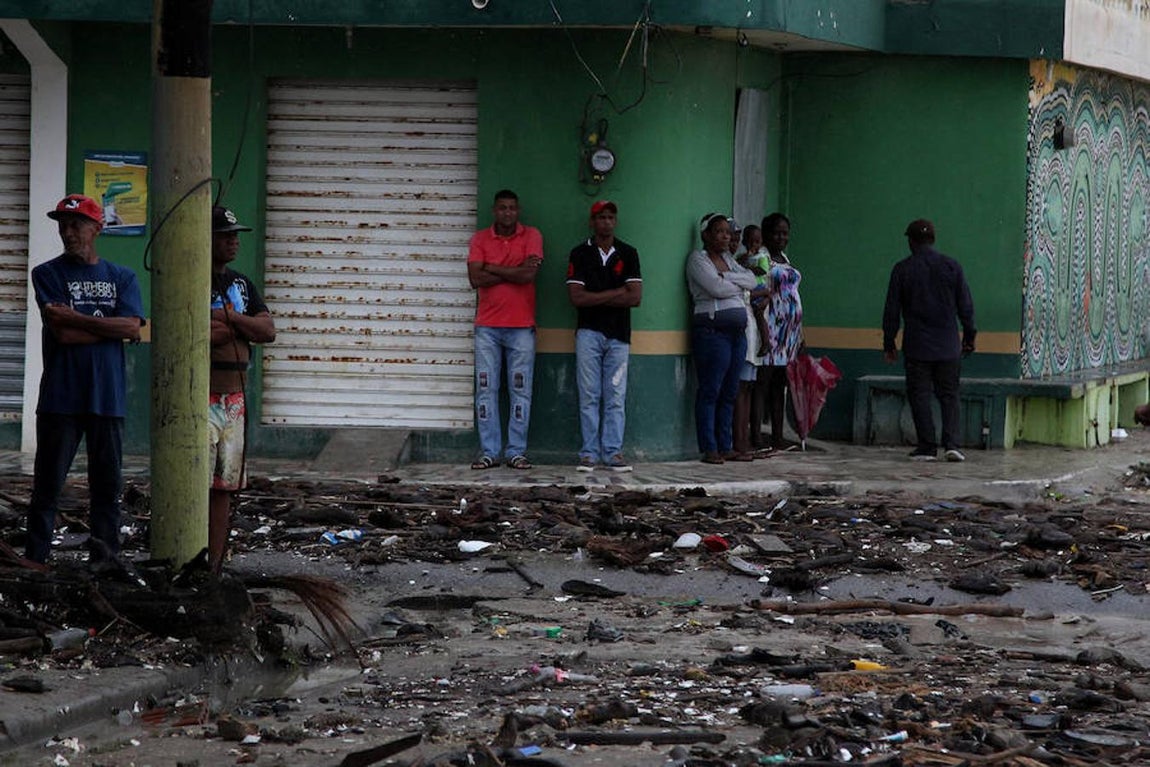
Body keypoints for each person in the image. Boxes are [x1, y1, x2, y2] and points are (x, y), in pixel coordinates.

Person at [24, 194, 145, 564]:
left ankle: (105, 561)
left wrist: (76, 318)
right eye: (63, 225)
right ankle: (35, 560)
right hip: (61, 398)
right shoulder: (46, 273)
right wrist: (111, 328)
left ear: (97, 228)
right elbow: (64, 335)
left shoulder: (122, 277)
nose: (68, 232)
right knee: (47, 486)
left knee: (107, 487)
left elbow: (131, 326)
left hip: (107, 398)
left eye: (76, 224)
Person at [209, 205, 275, 572]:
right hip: (202, 395)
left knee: (226, 485)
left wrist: (229, 318)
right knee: (199, 481)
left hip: (235, 397)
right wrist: (241, 327)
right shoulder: (191, 279)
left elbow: (267, 331)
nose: (234, 241)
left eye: (236, 235)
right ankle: (194, 556)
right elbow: (197, 334)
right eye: (226, 235)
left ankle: (215, 563)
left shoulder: (241, 284)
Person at [882, 218, 976, 462]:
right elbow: (966, 305)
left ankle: (927, 446)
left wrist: (889, 342)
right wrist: (969, 336)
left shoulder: (902, 269)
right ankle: (952, 444)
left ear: (911, 242)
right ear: (932, 240)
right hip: (948, 346)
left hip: (917, 346)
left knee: (920, 395)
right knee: (950, 395)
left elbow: (891, 310)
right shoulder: (952, 267)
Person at [467, 189, 543, 470]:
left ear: (518, 210)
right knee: (486, 390)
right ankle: (489, 452)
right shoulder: (479, 239)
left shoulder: (532, 236)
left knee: (520, 391)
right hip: (487, 326)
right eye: (502, 208)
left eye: (512, 208)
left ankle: (515, 452)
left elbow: (529, 275)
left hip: (522, 327)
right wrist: (513, 270)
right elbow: (475, 278)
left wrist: (492, 268)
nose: (507, 213)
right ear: (494, 210)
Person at [566, 201, 642, 472]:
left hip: (619, 336)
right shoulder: (579, 253)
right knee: (589, 394)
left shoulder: (628, 253)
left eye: (611, 217)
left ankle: (613, 452)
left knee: (615, 396)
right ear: (592, 222)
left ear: (615, 221)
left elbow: (635, 297)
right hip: (588, 333)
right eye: (601, 217)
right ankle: (588, 453)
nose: (606, 222)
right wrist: (615, 293)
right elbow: (577, 297)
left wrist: (596, 297)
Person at [686, 213, 760, 464]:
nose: (726, 236)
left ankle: (726, 445)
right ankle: (710, 447)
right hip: (712, 333)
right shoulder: (698, 259)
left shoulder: (728, 259)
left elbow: (752, 280)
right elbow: (714, 289)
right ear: (706, 235)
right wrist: (738, 284)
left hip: (736, 334)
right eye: (719, 231)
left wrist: (728, 278)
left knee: (730, 391)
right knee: (711, 390)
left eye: (728, 232)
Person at [753, 212, 804, 451]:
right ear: (766, 234)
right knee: (763, 382)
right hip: (770, 326)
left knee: (780, 385)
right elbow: (759, 289)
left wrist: (800, 333)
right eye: (777, 232)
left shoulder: (784, 257)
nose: (782, 237)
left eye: (785, 233)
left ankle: (777, 436)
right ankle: (755, 436)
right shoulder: (761, 258)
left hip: (789, 333)